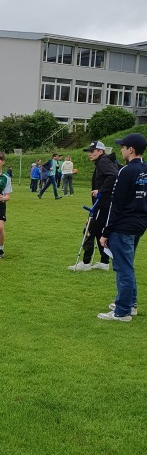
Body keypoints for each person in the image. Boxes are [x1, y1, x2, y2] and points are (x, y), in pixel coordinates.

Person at [97, 133, 147, 321]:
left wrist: (105, 231)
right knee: (128, 265)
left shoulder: (126, 171)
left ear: (131, 149)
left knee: (123, 268)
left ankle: (122, 311)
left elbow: (115, 204)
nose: (121, 150)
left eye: (123, 147)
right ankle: (130, 304)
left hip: (123, 226)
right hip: (139, 225)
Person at [68, 141, 118, 272]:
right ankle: (104, 262)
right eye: (89, 151)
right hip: (104, 204)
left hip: (102, 205)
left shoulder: (103, 161)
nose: (89, 154)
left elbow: (113, 175)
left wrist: (101, 190)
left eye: (92, 151)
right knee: (100, 232)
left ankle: (86, 262)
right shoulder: (105, 161)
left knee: (89, 231)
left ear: (100, 151)